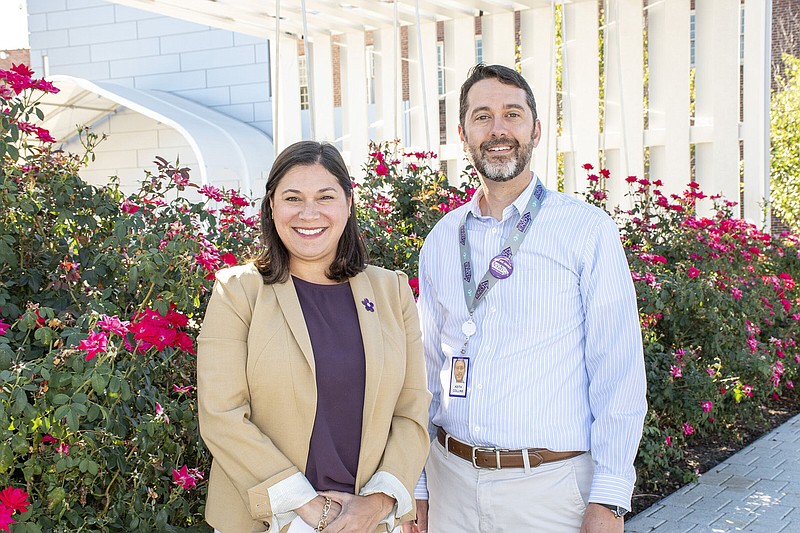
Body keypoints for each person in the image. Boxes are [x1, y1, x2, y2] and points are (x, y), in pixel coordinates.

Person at [403, 64, 647, 533]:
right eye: (482, 116)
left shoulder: (585, 231)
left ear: (535, 130)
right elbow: (425, 372)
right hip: (449, 483)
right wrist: (418, 485)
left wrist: (611, 498)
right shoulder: (441, 239)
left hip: (551, 494)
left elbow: (617, 371)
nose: (498, 129)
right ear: (463, 133)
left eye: (512, 114)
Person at [198, 140, 431, 533]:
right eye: (293, 198)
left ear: (348, 203)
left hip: (366, 523)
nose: (309, 213)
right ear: (272, 206)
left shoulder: (391, 291)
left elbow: (411, 413)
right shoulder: (238, 291)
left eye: (325, 196)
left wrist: (377, 504)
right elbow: (222, 416)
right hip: (266, 521)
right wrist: (311, 509)